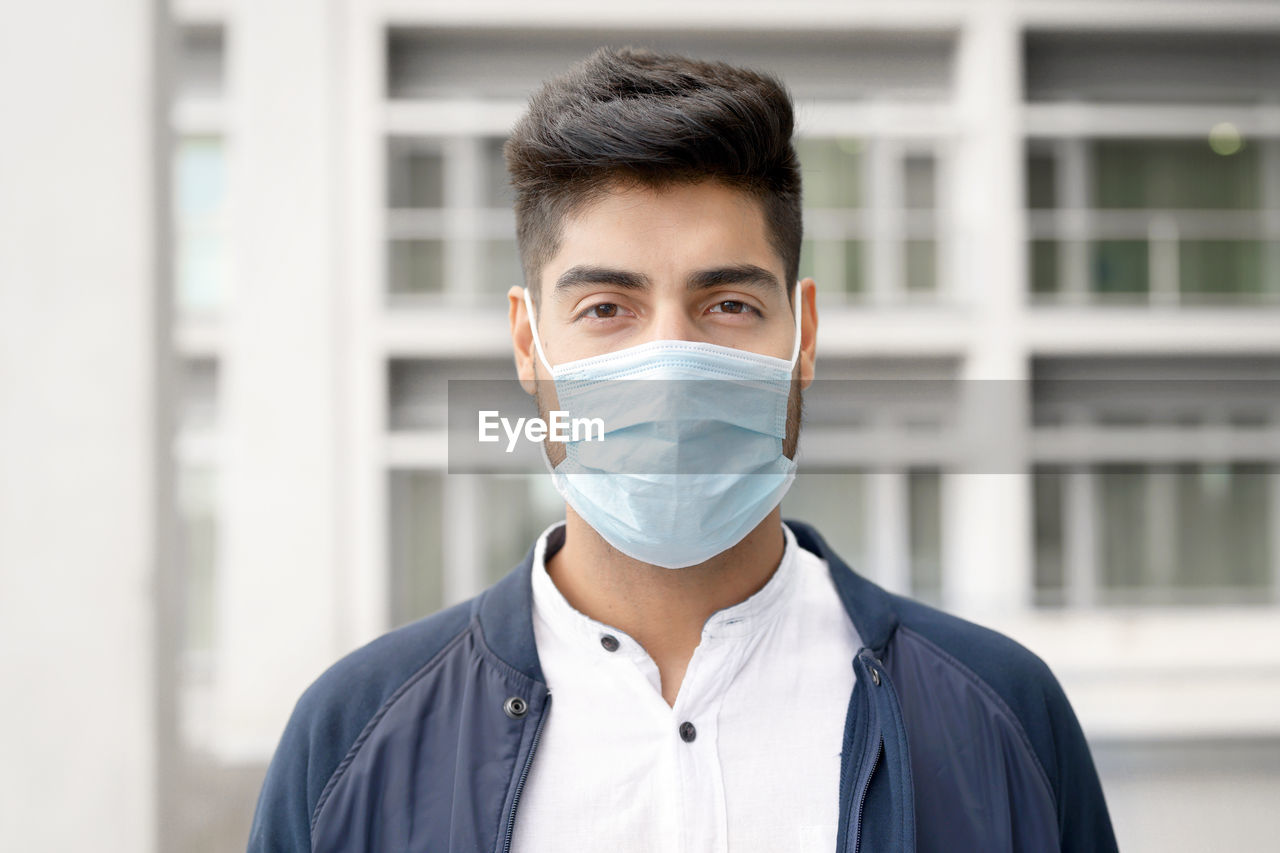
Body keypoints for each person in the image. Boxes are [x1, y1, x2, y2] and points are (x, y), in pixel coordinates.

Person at [246, 46, 1118, 853]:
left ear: (803, 334)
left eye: (728, 304)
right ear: (527, 342)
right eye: (606, 309)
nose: (667, 371)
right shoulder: (351, 738)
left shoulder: (1003, 715)